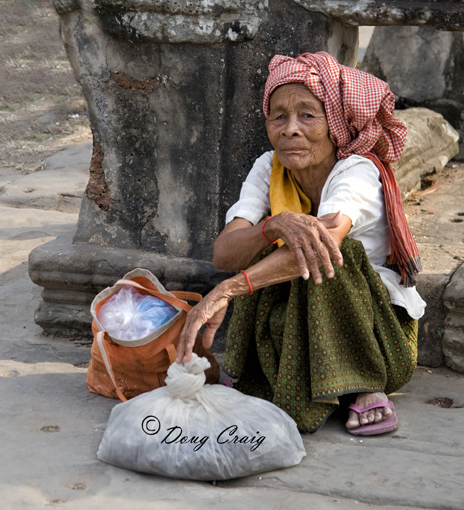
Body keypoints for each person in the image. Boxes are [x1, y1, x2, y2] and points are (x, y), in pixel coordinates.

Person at [176, 52, 426, 435]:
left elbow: (327, 239)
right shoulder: (269, 166)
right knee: (263, 242)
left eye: (308, 115)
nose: (290, 129)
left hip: (375, 338)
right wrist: (273, 225)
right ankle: (260, 378)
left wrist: (226, 290)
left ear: (335, 126)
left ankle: (362, 385)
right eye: (279, 116)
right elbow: (224, 252)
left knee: (332, 250)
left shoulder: (356, 171)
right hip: (301, 332)